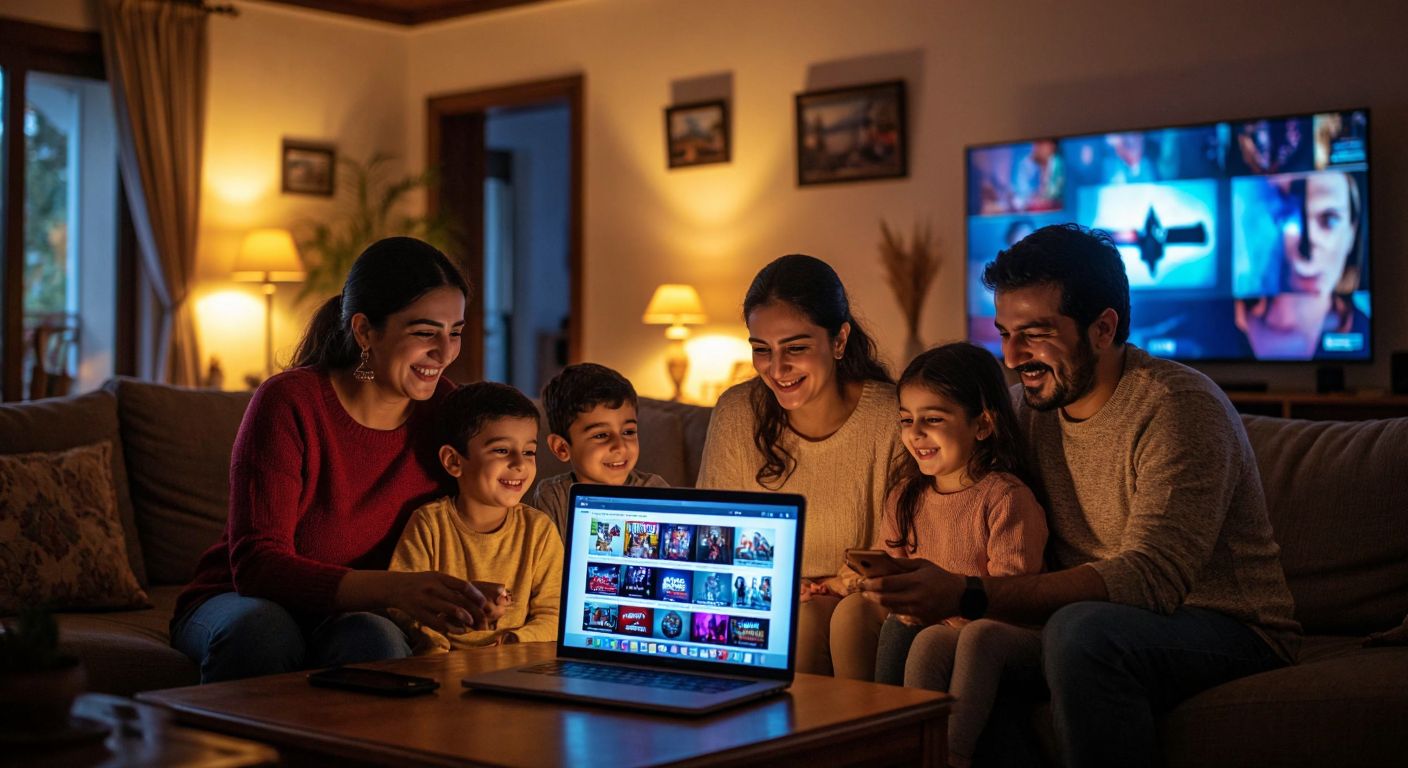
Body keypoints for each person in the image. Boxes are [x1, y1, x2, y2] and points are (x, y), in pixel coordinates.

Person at [862, 224, 1300, 767]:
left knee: (1079, 630)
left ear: (1102, 328)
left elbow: (1151, 577)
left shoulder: (1178, 407)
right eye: (1004, 332)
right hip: (1079, 616)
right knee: (933, 636)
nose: (1012, 356)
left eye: (1035, 333)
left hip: (1224, 625)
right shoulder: (1025, 411)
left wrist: (969, 593)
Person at [171, 237, 498, 682]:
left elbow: (476, 515)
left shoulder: (448, 411)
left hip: (360, 613)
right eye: (424, 333)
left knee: (376, 643)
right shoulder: (289, 401)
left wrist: (478, 590)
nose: (445, 353)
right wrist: (398, 588)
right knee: (265, 632)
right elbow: (257, 567)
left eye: (455, 332)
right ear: (364, 331)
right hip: (240, 601)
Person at [834, 342, 1047, 768]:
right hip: (938, 624)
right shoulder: (905, 496)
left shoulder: (1004, 497)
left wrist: (946, 612)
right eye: (907, 420)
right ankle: (889, 741)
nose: (915, 433)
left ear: (983, 424)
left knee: (957, 636)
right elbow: (894, 568)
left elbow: (1012, 596)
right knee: (904, 627)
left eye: (932, 419)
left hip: (1004, 626)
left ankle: (947, 754)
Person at [697, 254, 899, 676]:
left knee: (829, 621)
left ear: (839, 341)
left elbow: (904, 543)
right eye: (761, 350)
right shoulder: (737, 413)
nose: (777, 368)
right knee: (798, 623)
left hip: (866, 598)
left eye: (796, 348)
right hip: (766, 598)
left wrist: (834, 586)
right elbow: (714, 540)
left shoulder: (891, 416)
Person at [389, 382, 562, 650]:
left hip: (514, 662)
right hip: (440, 663)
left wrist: (514, 641)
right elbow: (404, 608)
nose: (520, 464)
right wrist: (436, 651)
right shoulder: (429, 525)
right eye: (502, 450)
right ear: (454, 461)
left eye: (529, 452)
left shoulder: (539, 531)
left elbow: (555, 613)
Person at [1235, 170, 1367, 360]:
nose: (1308, 246)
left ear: (1351, 233)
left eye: (1329, 220)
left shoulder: (1364, 330)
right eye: (1289, 218)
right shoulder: (1205, 327)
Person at [528, 363, 668, 538]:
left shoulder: (653, 490)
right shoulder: (553, 497)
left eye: (628, 432)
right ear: (561, 448)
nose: (620, 446)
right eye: (601, 435)